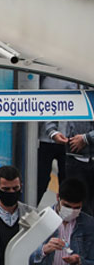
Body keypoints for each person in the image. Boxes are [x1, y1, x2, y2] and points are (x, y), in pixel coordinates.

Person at [29, 178, 94, 265]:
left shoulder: (89, 225)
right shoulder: (41, 220)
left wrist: (79, 262)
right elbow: (23, 257)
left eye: (76, 208)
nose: (71, 211)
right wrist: (44, 250)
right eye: (67, 206)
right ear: (58, 197)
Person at [37, 75, 76, 203]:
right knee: (40, 181)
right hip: (44, 138)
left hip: (71, 140)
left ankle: (68, 219)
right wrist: (52, 132)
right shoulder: (45, 77)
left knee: (68, 184)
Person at [49, 108, 94, 213]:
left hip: (82, 155)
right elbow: (54, 105)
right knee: (76, 206)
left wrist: (86, 138)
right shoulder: (72, 91)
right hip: (74, 158)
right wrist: (52, 132)